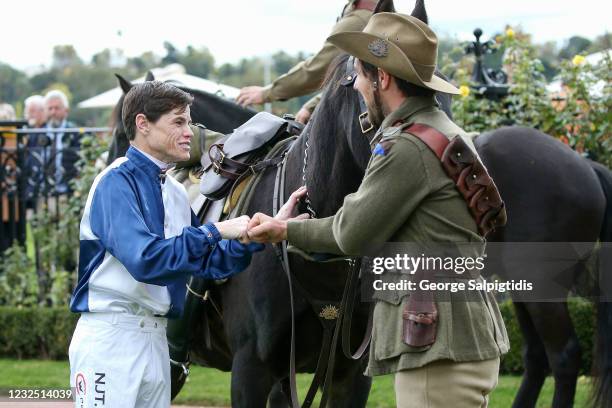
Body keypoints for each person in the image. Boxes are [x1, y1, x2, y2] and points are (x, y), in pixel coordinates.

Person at [247, 13, 509, 408]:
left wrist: (284, 231)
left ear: (382, 79)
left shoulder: (405, 146)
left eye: (359, 77)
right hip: (463, 338)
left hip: (436, 347)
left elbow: (350, 233)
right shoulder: (443, 130)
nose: (356, 86)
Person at [68, 81, 263, 408]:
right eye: (178, 121)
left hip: (156, 341)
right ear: (143, 124)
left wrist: (253, 237)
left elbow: (209, 262)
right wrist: (216, 230)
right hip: (111, 339)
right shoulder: (115, 181)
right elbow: (147, 261)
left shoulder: (173, 191)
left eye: (188, 121)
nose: (191, 131)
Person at [236, 0, 376, 123]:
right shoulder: (371, 11)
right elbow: (350, 77)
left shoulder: (360, 17)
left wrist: (267, 93)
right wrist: (312, 105)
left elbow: (319, 68)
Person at [44, 90, 80, 193]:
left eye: (57, 108)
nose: (53, 112)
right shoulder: (37, 134)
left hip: (68, 192)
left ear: (66, 111)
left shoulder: (75, 133)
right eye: (50, 108)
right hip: (42, 193)